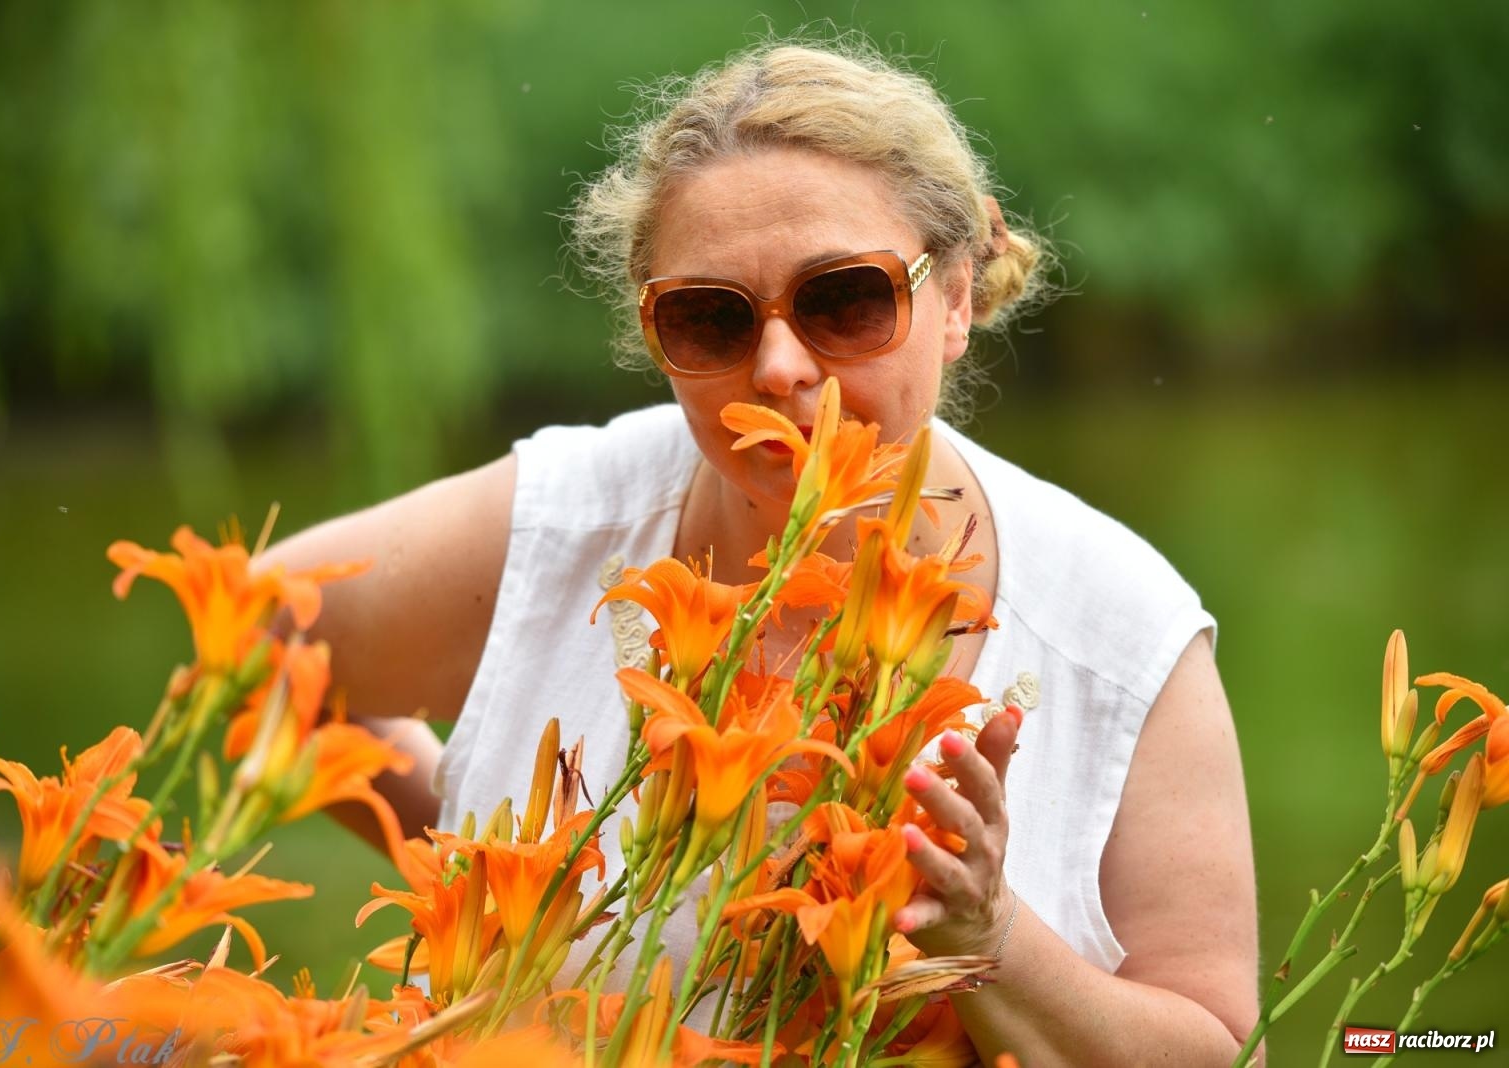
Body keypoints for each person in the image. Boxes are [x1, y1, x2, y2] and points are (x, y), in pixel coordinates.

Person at [265, 37, 1260, 1063]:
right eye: (709, 318)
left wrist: (989, 937)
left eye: (845, 300)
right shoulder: (563, 526)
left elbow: (1223, 1049)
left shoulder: (1119, 631)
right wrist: (498, 880)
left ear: (954, 298)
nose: (779, 368)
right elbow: (255, 638)